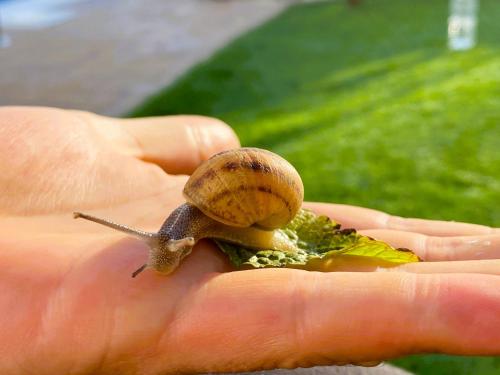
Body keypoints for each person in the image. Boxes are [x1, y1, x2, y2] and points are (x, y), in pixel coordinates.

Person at [0, 106, 498, 375]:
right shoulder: (191, 214)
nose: (171, 243)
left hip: (265, 213)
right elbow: (185, 219)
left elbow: (192, 218)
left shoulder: (216, 215)